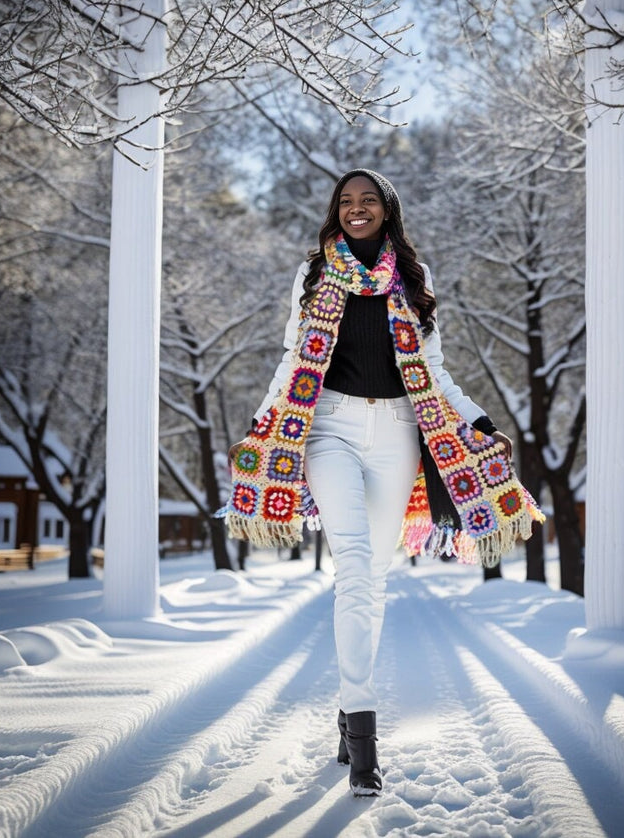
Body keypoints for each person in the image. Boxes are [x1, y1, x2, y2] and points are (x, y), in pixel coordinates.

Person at [222, 169, 542, 797]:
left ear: (387, 211)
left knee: (371, 579)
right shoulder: (314, 275)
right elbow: (293, 356)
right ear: (335, 213)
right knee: (355, 562)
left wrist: (480, 420)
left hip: (398, 430)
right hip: (328, 427)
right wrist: (262, 420)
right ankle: (365, 741)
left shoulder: (412, 281)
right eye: (346, 202)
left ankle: (347, 713)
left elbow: (435, 369)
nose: (356, 209)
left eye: (368, 201)